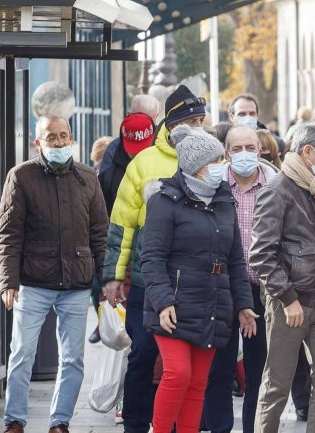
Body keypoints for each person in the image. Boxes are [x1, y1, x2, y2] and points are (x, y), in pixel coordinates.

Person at [103, 85, 208, 433]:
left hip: (193, 282)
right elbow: (122, 222)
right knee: (143, 355)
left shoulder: (211, 159)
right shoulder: (145, 161)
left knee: (183, 365)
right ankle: (135, 422)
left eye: (201, 121)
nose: (196, 127)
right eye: (190, 120)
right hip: (149, 280)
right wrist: (114, 276)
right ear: (173, 122)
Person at [140, 127, 258, 433]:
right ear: (197, 166)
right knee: (177, 374)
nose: (224, 164)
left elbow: (235, 260)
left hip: (212, 304)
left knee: (197, 382)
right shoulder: (164, 202)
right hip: (173, 307)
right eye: (217, 159)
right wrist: (163, 301)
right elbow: (151, 259)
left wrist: (243, 304)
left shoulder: (223, 201)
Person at [0, 116, 109, 433]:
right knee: (21, 353)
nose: (58, 142)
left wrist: (105, 280)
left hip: (76, 282)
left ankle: (60, 422)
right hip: (33, 282)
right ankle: (14, 420)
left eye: (63, 136)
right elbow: (8, 234)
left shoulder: (87, 177)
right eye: (51, 137)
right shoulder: (21, 176)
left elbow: (100, 234)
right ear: (38, 142)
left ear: (71, 138)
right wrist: (9, 282)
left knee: (73, 359)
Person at [250, 122, 315, 433]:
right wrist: (287, 298)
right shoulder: (278, 190)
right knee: (277, 385)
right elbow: (261, 254)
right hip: (290, 305)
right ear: (308, 152)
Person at [200, 125, 279, 433]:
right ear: (226, 152)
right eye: (237, 148)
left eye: (250, 147)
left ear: (260, 150)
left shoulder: (275, 185)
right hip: (221, 289)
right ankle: (220, 427)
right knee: (219, 367)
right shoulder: (213, 185)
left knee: (259, 371)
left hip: (262, 291)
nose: (244, 154)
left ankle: (252, 429)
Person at [89, 111, 156, 344]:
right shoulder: (110, 171)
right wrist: (112, 275)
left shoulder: (160, 164)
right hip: (127, 260)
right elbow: (111, 224)